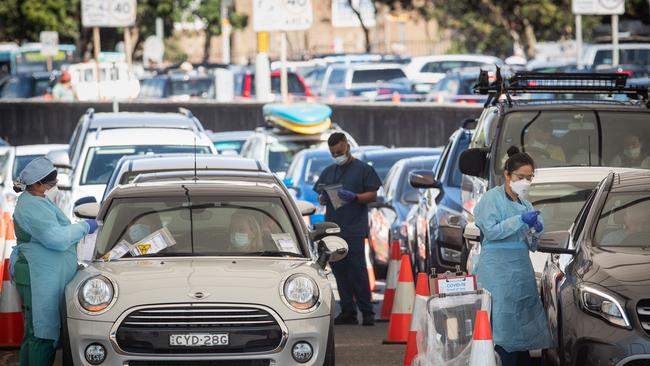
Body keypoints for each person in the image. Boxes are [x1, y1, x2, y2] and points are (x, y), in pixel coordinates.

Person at [9, 157, 97, 366]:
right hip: (38, 277)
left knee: (34, 332)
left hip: (39, 275)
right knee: (43, 333)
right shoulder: (31, 206)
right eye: (51, 184)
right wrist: (85, 227)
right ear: (38, 183)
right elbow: (55, 238)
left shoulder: (36, 199)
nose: (54, 188)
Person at [473, 146, 552, 365]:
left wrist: (535, 230)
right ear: (507, 175)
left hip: (521, 270)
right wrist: (520, 221)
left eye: (529, 177)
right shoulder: (491, 199)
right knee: (501, 322)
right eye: (521, 177)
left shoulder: (525, 204)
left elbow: (532, 245)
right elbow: (491, 231)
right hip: (497, 270)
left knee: (522, 322)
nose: (525, 182)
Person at [313, 132, 382, 326]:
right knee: (339, 270)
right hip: (333, 229)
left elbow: (373, 195)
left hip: (354, 228)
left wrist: (356, 197)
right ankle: (348, 311)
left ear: (347, 147)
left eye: (340, 152)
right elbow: (319, 194)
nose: (337, 156)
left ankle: (367, 311)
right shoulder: (329, 171)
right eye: (334, 153)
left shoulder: (363, 170)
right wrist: (323, 198)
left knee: (357, 270)